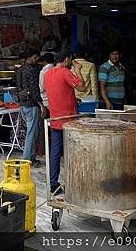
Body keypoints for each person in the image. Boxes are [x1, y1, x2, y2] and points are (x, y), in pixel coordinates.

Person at [44, 49, 85, 194]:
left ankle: (53, 184)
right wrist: (78, 70)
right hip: (68, 120)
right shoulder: (65, 72)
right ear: (67, 59)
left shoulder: (48, 74)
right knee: (72, 152)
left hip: (55, 118)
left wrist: (72, 98)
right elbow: (82, 87)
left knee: (55, 152)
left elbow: (58, 92)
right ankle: (74, 182)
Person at [16, 50, 43, 167]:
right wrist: (41, 104)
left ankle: (32, 157)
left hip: (23, 104)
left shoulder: (20, 70)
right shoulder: (32, 71)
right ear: (29, 57)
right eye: (35, 56)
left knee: (32, 131)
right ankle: (27, 159)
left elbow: (18, 86)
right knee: (31, 133)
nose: (37, 58)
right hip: (31, 104)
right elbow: (34, 89)